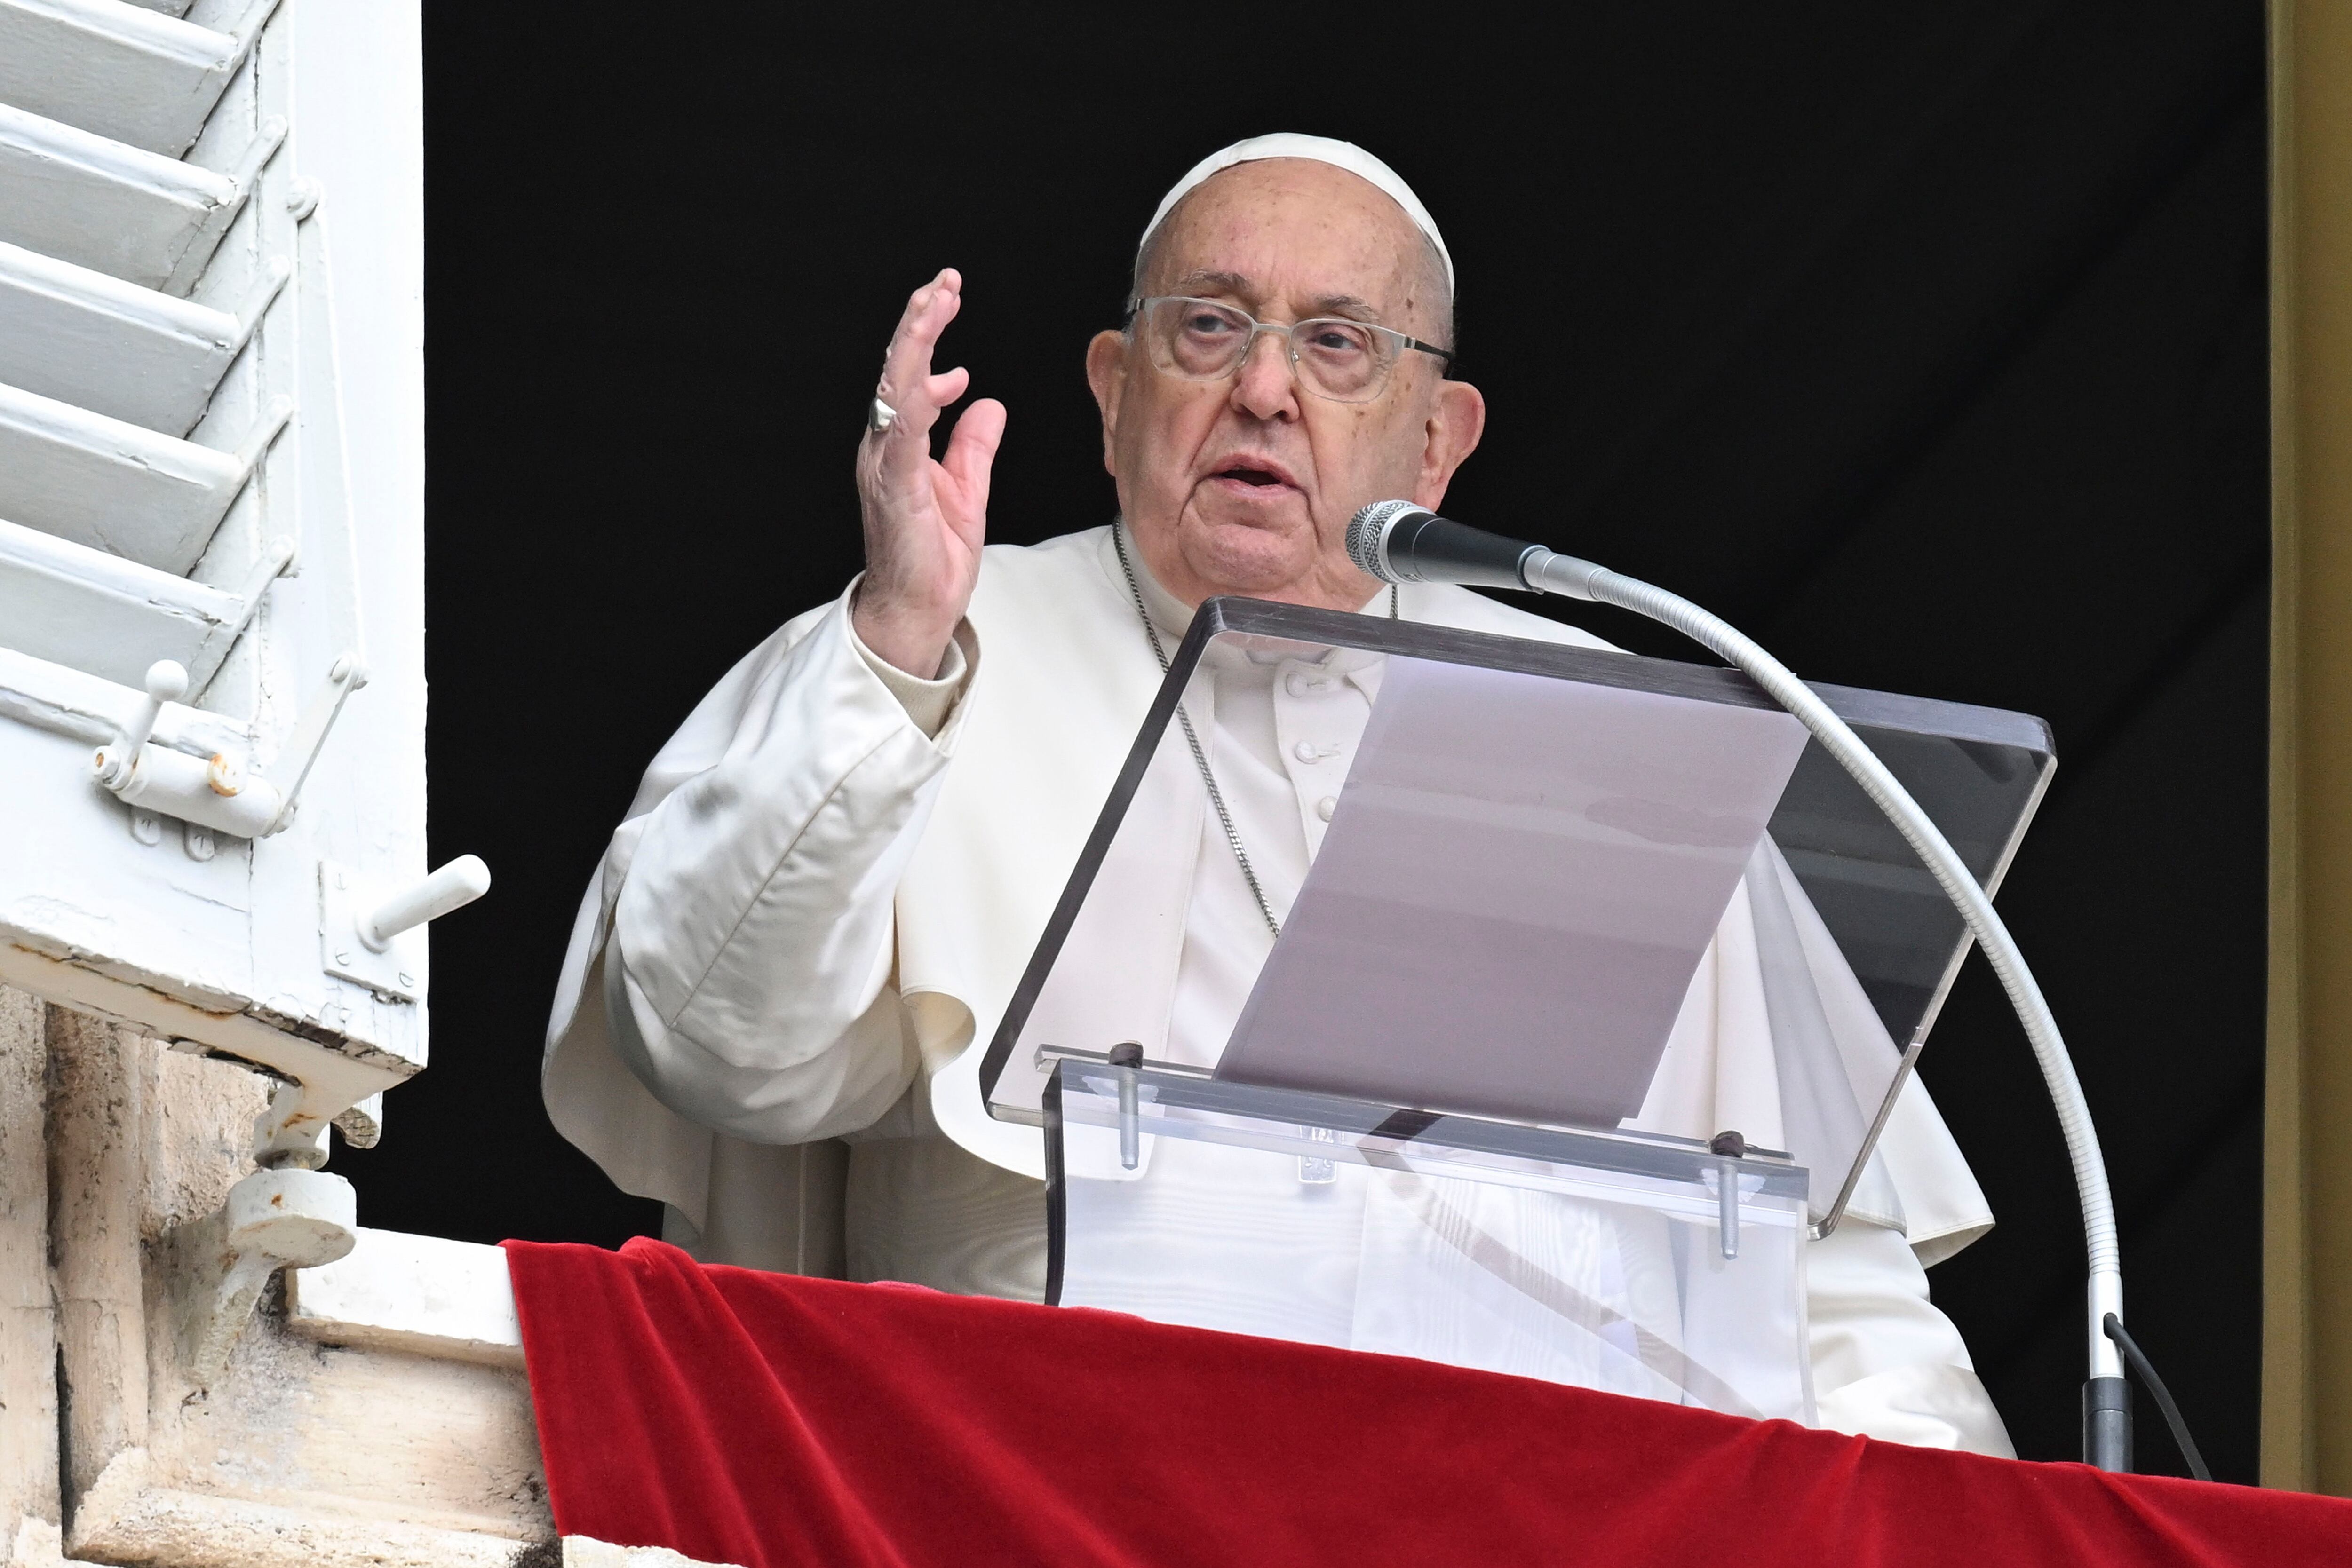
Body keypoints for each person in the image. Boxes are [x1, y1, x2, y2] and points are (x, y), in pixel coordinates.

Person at [544, 134, 2012, 1454]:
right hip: (1047, 1495)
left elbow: (1835, 1291)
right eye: (1210, 325)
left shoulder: (1615, 735)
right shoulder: (925, 641)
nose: (1263, 387)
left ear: (1437, 441)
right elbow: (716, 1051)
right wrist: (895, 656)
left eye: (1338, 343)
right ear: (1117, 396)